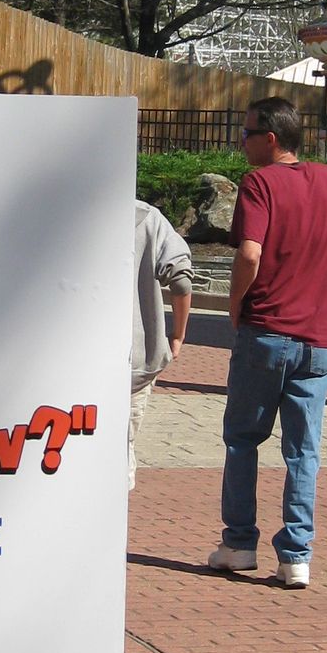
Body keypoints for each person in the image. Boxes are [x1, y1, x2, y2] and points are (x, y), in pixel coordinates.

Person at [210, 100, 327, 588]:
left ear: (271, 138)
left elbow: (249, 252)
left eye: (247, 134)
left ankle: (239, 544)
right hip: (319, 340)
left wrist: (234, 304)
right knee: (304, 451)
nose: (243, 142)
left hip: (266, 331)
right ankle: (296, 556)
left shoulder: (260, 183)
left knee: (243, 440)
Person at [129, 202, 193, 490]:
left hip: (70, 372)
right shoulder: (147, 217)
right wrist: (177, 335)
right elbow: (181, 282)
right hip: (134, 365)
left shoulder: (55, 211)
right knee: (122, 452)